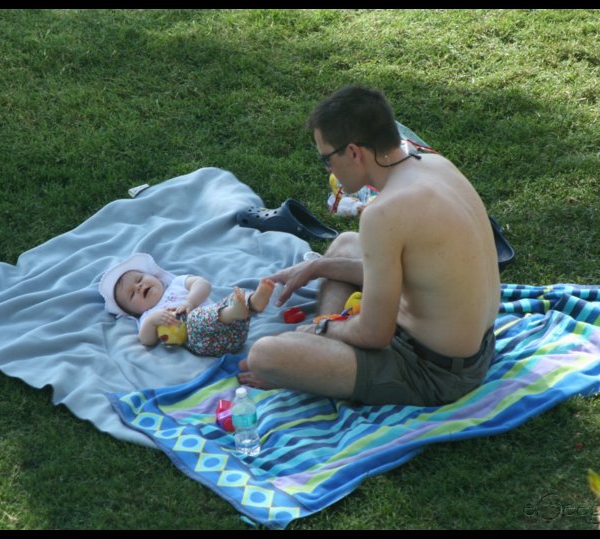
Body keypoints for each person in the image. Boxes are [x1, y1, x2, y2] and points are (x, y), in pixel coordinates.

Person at [238, 85, 500, 406]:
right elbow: (417, 273)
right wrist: (319, 266)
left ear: (353, 152)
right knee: (345, 243)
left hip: (434, 372)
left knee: (264, 356)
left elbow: (375, 334)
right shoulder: (435, 165)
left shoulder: (384, 213)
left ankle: (318, 352)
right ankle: (321, 350)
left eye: (326, 159)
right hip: (475, 347)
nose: (328, 170)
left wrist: (323, 329)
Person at [99, 253, 275, 357]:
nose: (138, 287)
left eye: (139, 279)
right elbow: (146, 340)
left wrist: (190, 301)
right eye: (132, 294)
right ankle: (235, 311)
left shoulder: (176, 284)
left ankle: (253, 302)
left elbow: (202, 284)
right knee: (194, 319)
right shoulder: (149, 315)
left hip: (236, 329)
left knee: (233, 297)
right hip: (206, 341)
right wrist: (153, 321)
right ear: (134, 312)